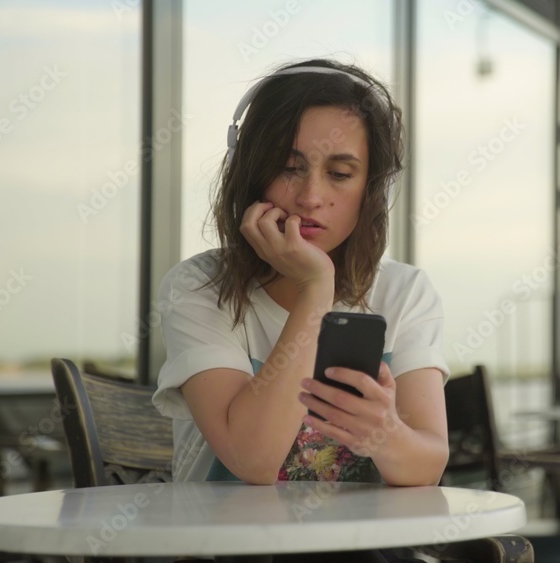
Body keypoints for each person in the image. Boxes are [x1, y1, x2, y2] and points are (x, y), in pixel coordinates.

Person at [151, 58, 450, 496]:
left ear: (370, 188)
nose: (311, 197)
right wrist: (316, 288)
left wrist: (385, 432)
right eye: (289, 168)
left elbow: (427, 466)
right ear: (251, 172)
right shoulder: (198, 287)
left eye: (340, 174)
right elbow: (253, 460)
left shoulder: (403, 292)